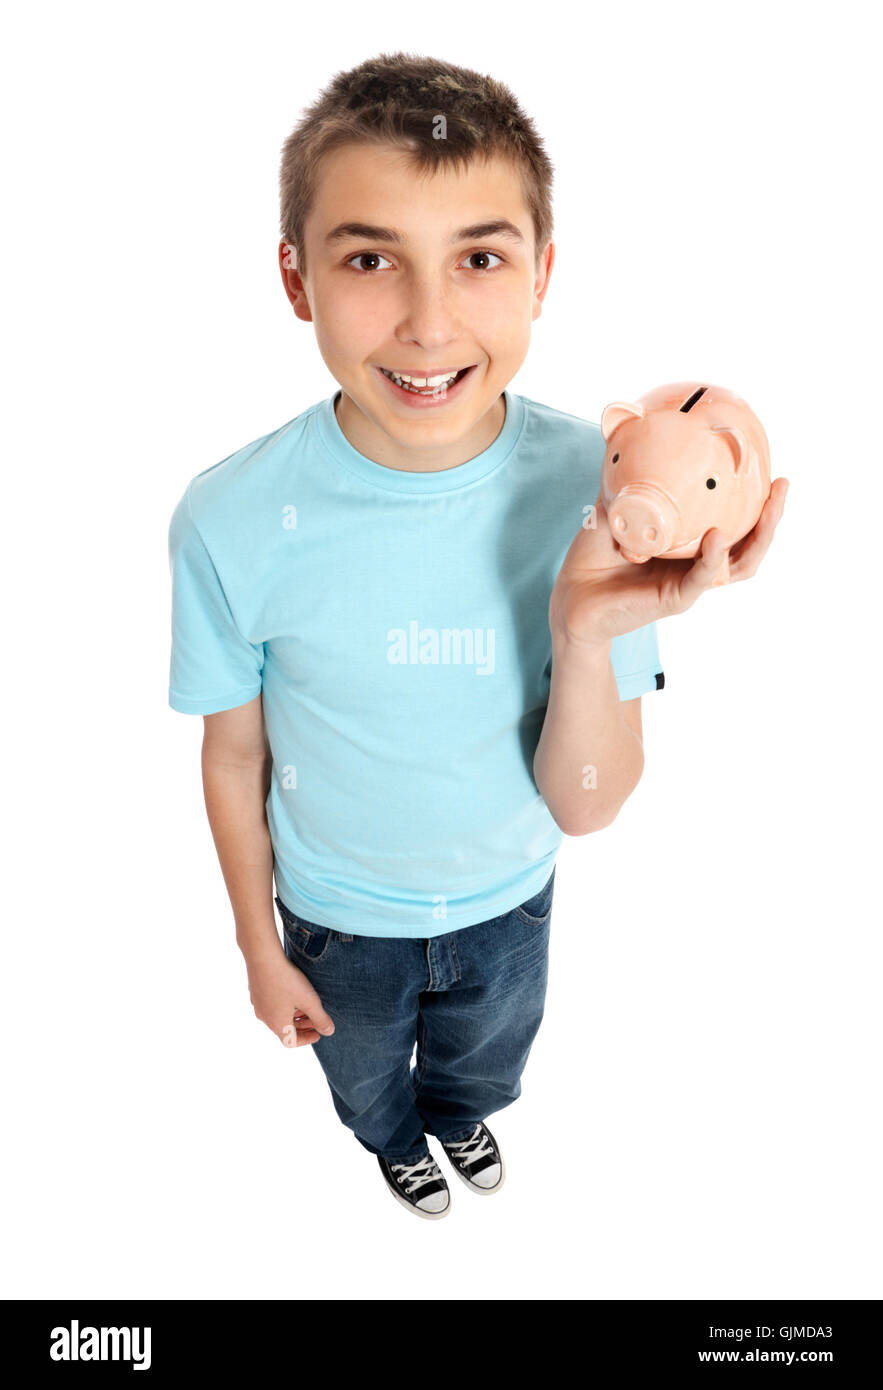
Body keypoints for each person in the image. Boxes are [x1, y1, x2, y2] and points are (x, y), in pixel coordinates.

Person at [167, 52, 788, 1221]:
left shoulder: (593, 486)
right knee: (360, 1076)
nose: (428, 319)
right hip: (334, 915)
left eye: (481, 258)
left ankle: (454, 1116)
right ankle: (394, 1137)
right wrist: (257, 941)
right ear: (295, 278)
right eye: (368, 258)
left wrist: (587, 616)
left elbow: (588, 803)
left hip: (512, 896)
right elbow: (236, 754)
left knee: (489, 1057)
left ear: (543, 273)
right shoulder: (231, 518)